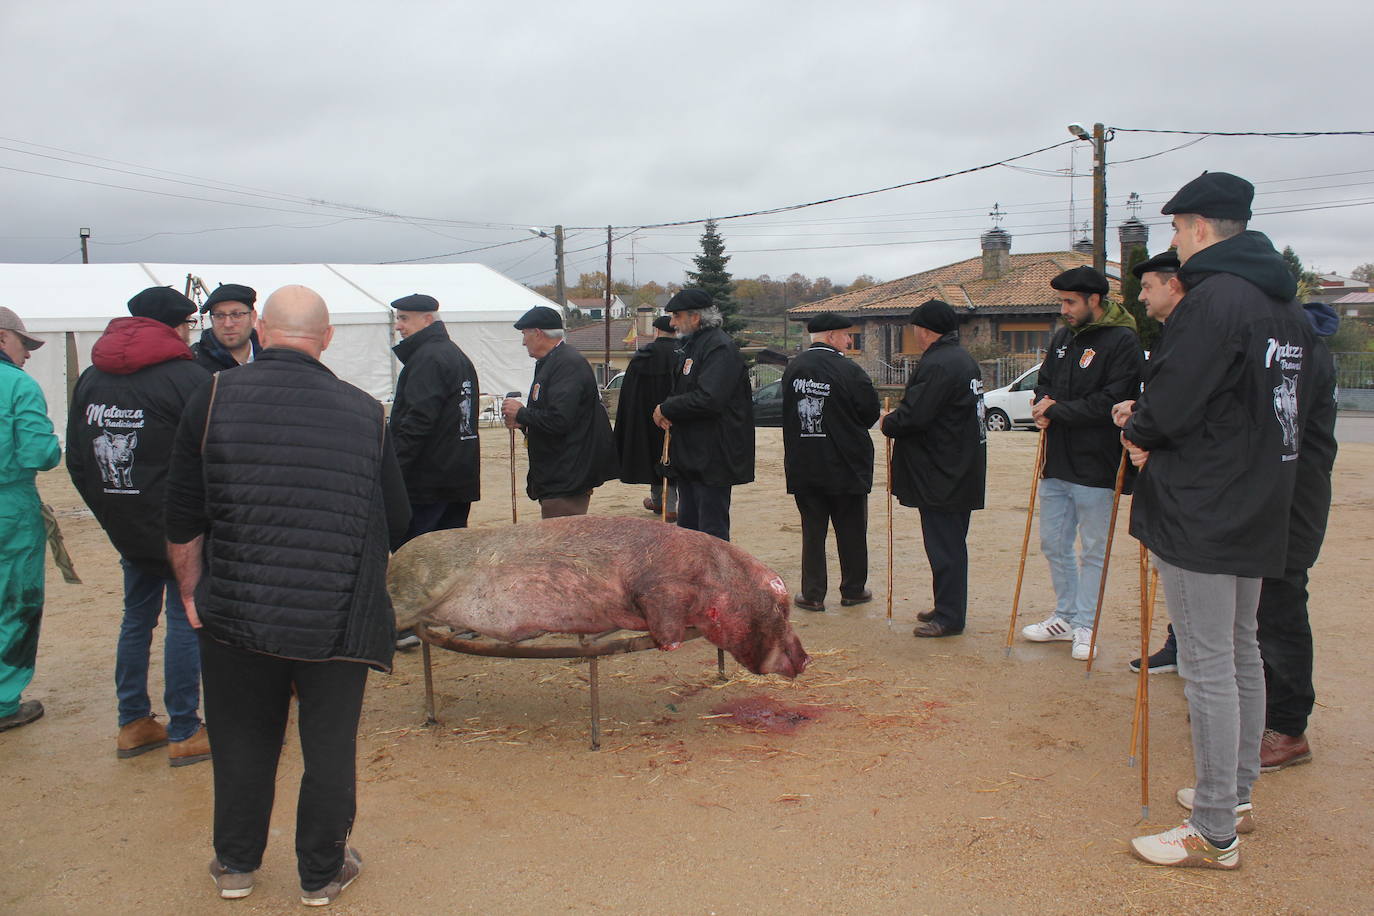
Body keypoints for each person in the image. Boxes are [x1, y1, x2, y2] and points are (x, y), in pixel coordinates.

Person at [165, 285, 409, 905]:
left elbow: (183, 513)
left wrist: (192, 592)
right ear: (325, 339)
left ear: (262, 333)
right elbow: (397, 516)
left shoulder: (212, 395)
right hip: (337, 614)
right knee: (329, 746)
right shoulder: (365, 411)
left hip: (239, 606)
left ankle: (237, 865)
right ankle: (321, 872)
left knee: (243, 737)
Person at [1119, 171, 1320, 869]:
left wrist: (1138, 426)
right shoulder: (1281, 306)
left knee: (1210, 664)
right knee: (1238, 652)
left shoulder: (1213, 302)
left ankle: (1213, 829)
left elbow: (1171, 403)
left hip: (1204, 505)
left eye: (1175, 230)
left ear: (1199, 228)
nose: (1175, 242)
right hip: (1260, 499)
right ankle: (1232, 795)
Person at [66, 287, 212, 765]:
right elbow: (212, 454)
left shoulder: (91, 378)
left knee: (136, 619)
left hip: (126, 521)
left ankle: (133, 722)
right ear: (176, 326)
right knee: (184, 619)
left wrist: (112, 514)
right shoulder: (188, 378)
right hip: (180, 524)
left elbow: (77, 459)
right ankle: (185, 729)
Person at [1018, 266, 1143, 661]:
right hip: (1057, 461)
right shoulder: (1062, 338)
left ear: (1095, 301)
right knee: (1053, 543)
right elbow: (1046, 383)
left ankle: (1086, 622)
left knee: (1093, 549)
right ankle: (1065, 615)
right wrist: (1040, 405)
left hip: (1097, 463)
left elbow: (1112, 400)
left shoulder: (1123, 341)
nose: (1064, 309)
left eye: (1070, 302)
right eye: (1061, 302)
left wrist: (1059, 411)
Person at [880, 300, 985, 638]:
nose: (915, 336)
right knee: (946, 543)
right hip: (957, 465)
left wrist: (889, 422)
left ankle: (950, 617)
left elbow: (916, 414)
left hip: (944, 470)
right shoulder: (960, 359)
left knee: (945, 546)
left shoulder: (940, 363)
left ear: (926, 330)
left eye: (915, 330)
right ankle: (945, 606)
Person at [782, 312, 881, 612]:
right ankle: (853, 589)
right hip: (845, 464)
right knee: (851, 530)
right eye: (846, 335)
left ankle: (812, 594)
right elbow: (869, 413)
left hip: (805, 463)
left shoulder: (792, 368)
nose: (850, 341)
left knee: (813, 533)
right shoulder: (849, 370)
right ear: (830, 336)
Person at [1121, 250, 1186, 675]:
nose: (1141, 297)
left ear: (1173, 285)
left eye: (1147, 287)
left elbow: (1183, 407)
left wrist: (1142, 426)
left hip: (1187, 483)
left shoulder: (1194, 335)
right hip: (1163, 474)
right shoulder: (1172, 333)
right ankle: (1178, 644)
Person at [652, 289, 754, 541]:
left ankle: (714, 581)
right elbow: (686, 391)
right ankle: (692, 581)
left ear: (695, 317)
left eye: (676, 316)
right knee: (689, 531)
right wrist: (668, 408)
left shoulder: (720, 347)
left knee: (711, 534)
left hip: (714, 457)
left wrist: (667, 408)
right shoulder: (692, 345)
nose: (672, 323)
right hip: (692, 456)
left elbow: (709, 398)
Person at [0, 308, 61, 733]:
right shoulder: (18, 385)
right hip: (9, 506)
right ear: (4, 338)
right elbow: (39, 454)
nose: (28, 356)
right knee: (16, 602)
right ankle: (4, 700)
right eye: (26, 346)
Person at [501, 305, 617, 518]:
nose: (523, 341)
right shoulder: (550, 363)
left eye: (525, 334)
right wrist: (523, 422)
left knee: (563, 545)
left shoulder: (567, 364)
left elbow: (560, 420)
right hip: (556, 471)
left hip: (568, 473)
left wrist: (523, 413)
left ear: (538, 333)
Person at [388, 293, 481, 540]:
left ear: (428, 319)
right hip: (456, 478)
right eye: (398, 319)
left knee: (418, 559)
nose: (398, 326)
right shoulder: (454, 354)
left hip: (428, 483)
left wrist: (393, 469)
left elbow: (418, 422)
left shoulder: (428, 359)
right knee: (451, 556)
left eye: (404, 319)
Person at [614, 314, 679, 520]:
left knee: (652, 454)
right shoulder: (684, 353)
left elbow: (629, 392)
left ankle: (661, 503)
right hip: (676, 414)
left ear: (657, 331)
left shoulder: (644, 355)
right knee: (672, 455)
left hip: (645, 418)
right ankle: (669, 504)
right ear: (675, 331)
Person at [192, 283, 261, 372]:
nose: (228, 324)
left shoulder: (273, 357)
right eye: (219, 316)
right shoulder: (195, 364)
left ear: (253, 317)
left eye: (236, 315)